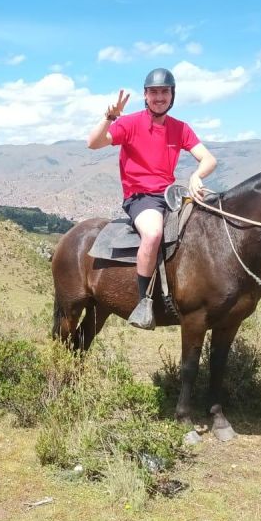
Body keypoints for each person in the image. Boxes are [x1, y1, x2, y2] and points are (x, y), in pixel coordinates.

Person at [87, 68, 216, 330]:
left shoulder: (180, 128)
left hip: (170, 195)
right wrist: (109, 118)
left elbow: (209, 158)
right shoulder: (129, 122)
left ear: (172, 95)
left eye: (164, 92)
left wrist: (196, 176)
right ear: (145, 96)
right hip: (141, 198)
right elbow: (94, 143)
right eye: (154, 92)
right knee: (154, 233)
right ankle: (144, 302)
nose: (159, 97)